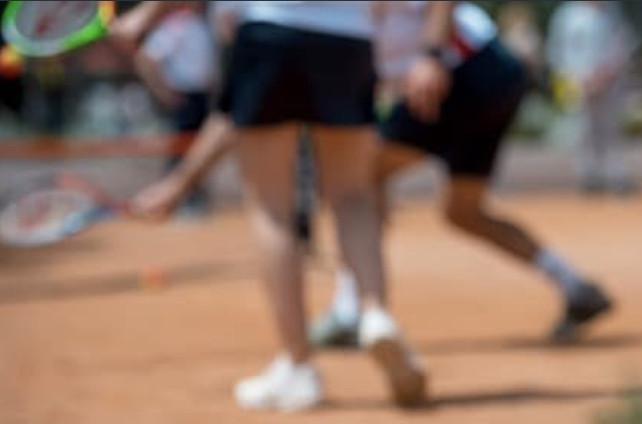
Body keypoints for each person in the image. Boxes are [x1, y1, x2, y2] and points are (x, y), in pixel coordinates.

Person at [114, 1, 426, 412]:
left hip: (271, 28)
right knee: (353, 196)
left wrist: (142, 18)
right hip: (350, 37)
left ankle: (299, 366)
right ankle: (374, 314)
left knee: (271, 208)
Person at [310, 1, 613, 348]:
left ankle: (352, 310)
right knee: (463, 212)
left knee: (361, 179)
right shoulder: (327, 25)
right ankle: (574, 286)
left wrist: (431, 56)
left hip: (466, 70)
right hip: (489, 81)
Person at [546, 1, 636, 195]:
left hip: (609, 82)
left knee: (609, 129)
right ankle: (589, 176)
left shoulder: (613, 12)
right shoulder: (567, 14)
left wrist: (607, 74)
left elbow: (622, 45)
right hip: (576, 83)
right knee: (582, 130)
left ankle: (616, 174)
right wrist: (572, 79)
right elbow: (556, 51)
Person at [135, 3, 217, 214]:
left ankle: (193, 197)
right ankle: (176, 199)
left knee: (202, 147)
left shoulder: (201, 23)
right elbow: (147, 58)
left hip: (203, 96)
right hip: (185, 97)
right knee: (182, 149)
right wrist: (164, 92)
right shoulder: (176, 26)